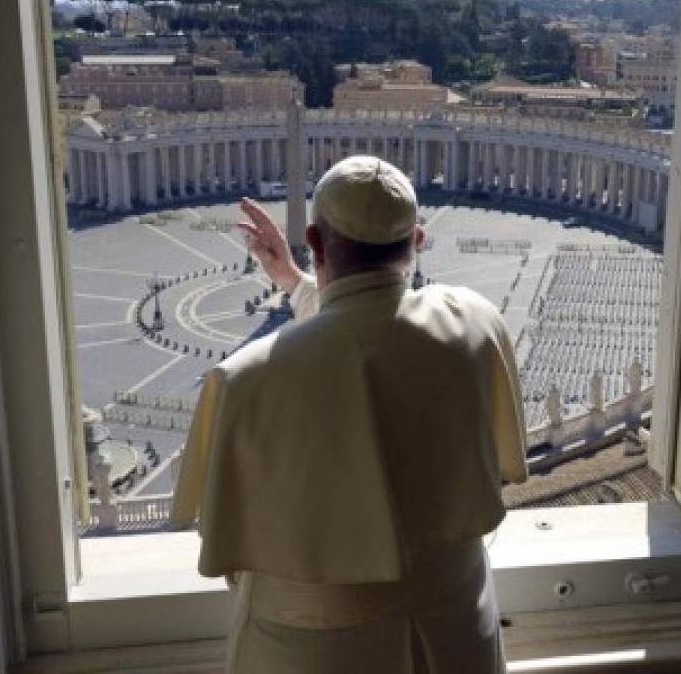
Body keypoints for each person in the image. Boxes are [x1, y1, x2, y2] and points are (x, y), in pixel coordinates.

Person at [172, 156, 528, 673]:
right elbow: (377, 326)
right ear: (418, 241)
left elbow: (348, 335)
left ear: (315, 242)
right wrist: (294, 283)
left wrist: (299, 280)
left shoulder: (242, 381)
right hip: (457, 632)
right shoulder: (476, 321)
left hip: (310, 650)